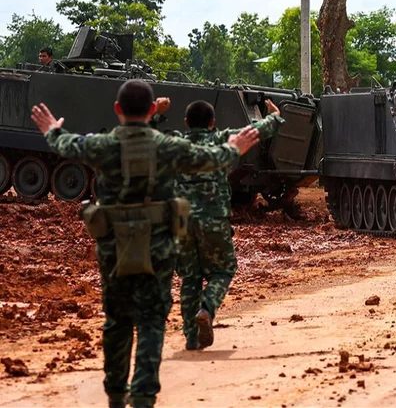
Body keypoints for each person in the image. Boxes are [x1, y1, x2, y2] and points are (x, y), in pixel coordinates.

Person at [30, 79, 261, 408]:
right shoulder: (166, 146)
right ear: (153, 110)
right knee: (152, 321)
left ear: (117, 109)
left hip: (113, 249)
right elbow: (209, 157)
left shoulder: (104, 145)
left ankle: (114, 394)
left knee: (117, 320)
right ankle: (142, 397)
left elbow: (67, 144)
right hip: (159, 249)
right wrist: (235, 146)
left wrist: (51, 128)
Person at [153, 98, 284, 350]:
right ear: (213, 123)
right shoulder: (222, 139)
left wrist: (156, 114)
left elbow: (147, 137)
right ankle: (207, 309)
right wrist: (275, 116)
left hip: (181, 222)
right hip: (213, 219)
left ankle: (191, 337)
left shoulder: (176, 144)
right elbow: (257, 131)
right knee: (223, 270)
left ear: (186, 123)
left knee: (190, 277)